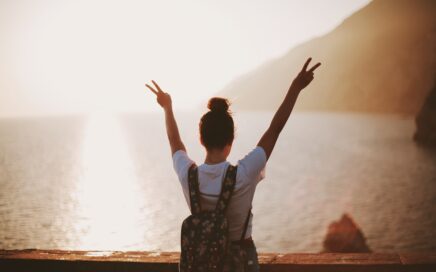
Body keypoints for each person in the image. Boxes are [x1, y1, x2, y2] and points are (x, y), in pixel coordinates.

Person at [145, 57, 321, 271]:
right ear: (231, 140)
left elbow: (175, 141)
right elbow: (274, 129)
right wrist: (296, 88)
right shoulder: (245, 174)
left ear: (201, 139)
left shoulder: (187, 175)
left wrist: (167, 107)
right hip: (241, 263)